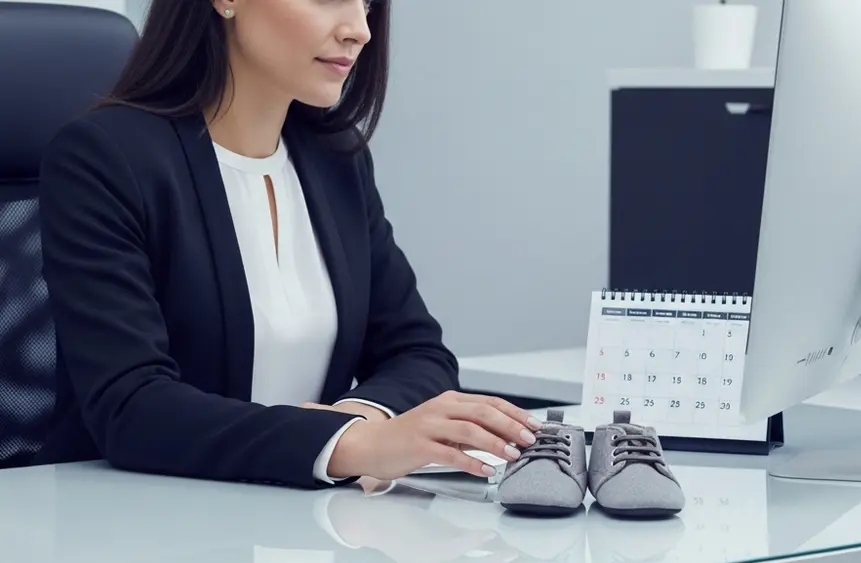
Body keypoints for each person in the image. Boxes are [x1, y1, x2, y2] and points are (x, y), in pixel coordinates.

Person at [33, 0, 542, 487]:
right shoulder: (105, 160)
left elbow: (418, 352)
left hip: (296, 520)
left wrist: (360, 417)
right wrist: (350, 445)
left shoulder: (334, 160)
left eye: (366, 3)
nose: (359, 30)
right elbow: (131, 407)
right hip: (130, 521)